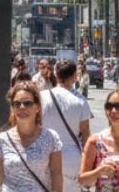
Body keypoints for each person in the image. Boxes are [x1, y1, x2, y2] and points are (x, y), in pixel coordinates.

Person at [0, 81, 63, 192]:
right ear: (12, 108)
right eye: (16, 104)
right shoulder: (1, 141)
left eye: (27, 103)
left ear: (37, 107)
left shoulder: (51, 138)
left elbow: (56, 175)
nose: (22, 107)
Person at [42, 60, 92, 192]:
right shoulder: (81, 101)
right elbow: (86, 134)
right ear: (75, 76)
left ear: (56, 75)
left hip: (45, 152)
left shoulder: (42, 97)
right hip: (71, 156)